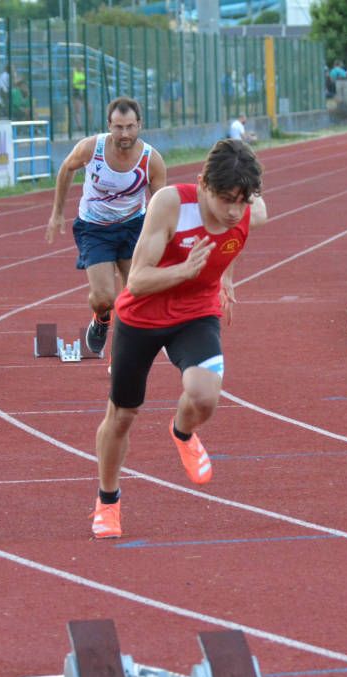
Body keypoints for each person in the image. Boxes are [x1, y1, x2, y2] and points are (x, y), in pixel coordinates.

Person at [89, 138, 267, 539]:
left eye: (242, 201)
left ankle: (182, 431)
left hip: (196, 313)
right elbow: (137, 280)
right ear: (203, 184)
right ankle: (108, 501)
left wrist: (226, 276)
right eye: (226, 200)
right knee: (122, 415)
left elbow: (236, 237)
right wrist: (184, 272)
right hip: (142, 315)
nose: (234, 211)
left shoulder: (250, 209)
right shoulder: (171, 204)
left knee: (204, 397)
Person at [45, 96, 167, 358]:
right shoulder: (92, 148)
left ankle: (120, 357)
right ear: (109, 125)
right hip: (94, 228)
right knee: (104, 299)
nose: (125, 134)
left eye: (130, 127)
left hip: (133, 227)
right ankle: (101, 319)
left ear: (140, 124)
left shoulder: (151, 160)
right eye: (119, 127)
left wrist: (164, 238)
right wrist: (57, 212)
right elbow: (67, 168)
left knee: (134, 295)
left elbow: (161, 203)